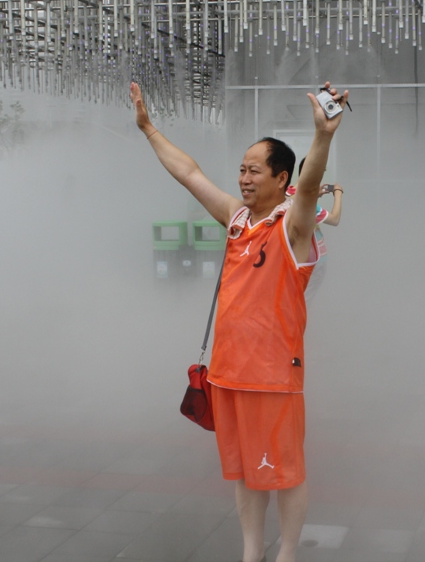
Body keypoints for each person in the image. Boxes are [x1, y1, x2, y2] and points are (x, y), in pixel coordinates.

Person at [130, 80, 348, 562]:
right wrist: (149, 130)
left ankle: (286, 553)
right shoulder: (236, 219)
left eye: (254, 171)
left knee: (285, 472)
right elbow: (189, 173)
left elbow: (310, 186)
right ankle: (252, 553)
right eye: (241, 170)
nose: (243, 179)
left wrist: (324, 136)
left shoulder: (293, 227)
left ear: (280, 177)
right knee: (247, 472)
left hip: (273, 377)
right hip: (229, 374)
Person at [286, 158, 343, 304]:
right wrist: (338, 194)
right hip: (315, 261)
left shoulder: (287, 192)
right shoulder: (308, 204)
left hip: (293, 258)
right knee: (303, 303)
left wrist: (315, 194)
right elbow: (335, 219)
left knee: (293, 298)